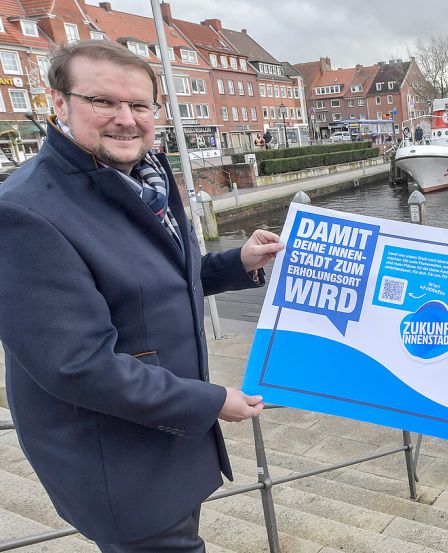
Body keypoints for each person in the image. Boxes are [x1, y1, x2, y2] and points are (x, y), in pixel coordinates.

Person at [0, 40, 285, 552]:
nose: (126, 119)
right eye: (103, 102)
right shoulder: (24, 212)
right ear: (59, 103)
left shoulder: (142, 177)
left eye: (139, 105)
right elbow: (77, 365)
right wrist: (213, 400)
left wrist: (236, 263)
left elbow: (152, 281)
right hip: (119, 465)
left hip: (167, 442)